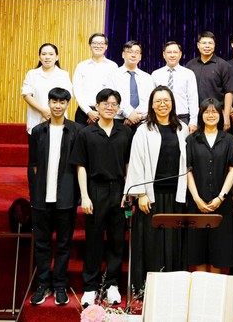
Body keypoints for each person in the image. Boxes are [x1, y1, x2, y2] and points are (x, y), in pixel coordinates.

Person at [69, 88, 132, 307]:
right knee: (94, 240)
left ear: (119, 108)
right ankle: (90, 287)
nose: (109, 107)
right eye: (105, 103)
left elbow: (129, 164)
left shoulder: (125, 132)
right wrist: (84, 196)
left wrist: (127, 192)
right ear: (97, 106)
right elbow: (80, 166)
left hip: (119, 190)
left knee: (117, 240)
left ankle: (112, 285)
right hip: (95, 190)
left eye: (114, 104)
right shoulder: (86, 133)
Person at [124, 85, 190, 292]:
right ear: (152, 105)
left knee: (173, 242)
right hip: (151, 196)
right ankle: (148, 288)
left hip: (176, 195)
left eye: (166, 101)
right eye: (158, 101)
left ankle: (173, 288)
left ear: (172, 104)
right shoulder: (143, 130)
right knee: (151, 242)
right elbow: (136, 161)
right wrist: (141, 193)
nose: (162, 105)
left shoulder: (182, 128)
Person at [27, 87, 82, 306]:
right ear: (48, 103)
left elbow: (80, 166)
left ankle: (60, 285)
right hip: (41, 197)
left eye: (62, 102)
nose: (58, 106)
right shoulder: (37, 131)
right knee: (42, 244)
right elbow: (32, 165)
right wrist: (34, 193)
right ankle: (43, 284)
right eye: (54, 102)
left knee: (63, 244)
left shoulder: (76, 131)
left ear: (67, 104)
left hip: (66, 198)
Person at [185, 98, 233, 273]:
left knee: (219, 250)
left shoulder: (228, 139)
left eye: (214, 112)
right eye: (207, 112)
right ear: (201, 115)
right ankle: (200, 288)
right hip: (196, 203)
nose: (211, 115)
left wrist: (221, 197)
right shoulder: (192, 139)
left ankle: (215, 288)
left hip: (221, 203)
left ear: (221, 115)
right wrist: (196, 198)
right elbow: (188, 170)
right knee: (197, 249)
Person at [186, 31, 233, 131]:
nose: (207, 46)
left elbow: (229, 92)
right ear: (198, 45)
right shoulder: (190, 65)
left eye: (210, 43)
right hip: (194, 116)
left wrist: (226, 116)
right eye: (204, 43)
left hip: (216, 115)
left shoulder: (223, 65)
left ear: (214, 45)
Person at [21, 43, 73, 134]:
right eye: (44, 54)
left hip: (58, 120)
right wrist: (43, 111)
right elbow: (26, 95)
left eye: (51, 54)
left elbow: (67, 96)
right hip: (36, 119)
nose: (47, 57)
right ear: (39, 57)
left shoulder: (63, 75)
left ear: (56, 57)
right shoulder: (32, 74)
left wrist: (50, 114)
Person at [151, 41, 199, 133]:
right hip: (160, 118)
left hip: (182, 118)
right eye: (169, 52)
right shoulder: (156, 74)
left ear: (180, 54)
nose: (172, 55)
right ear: (164, 55)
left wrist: (193, 121)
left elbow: (193, 99)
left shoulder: (188, 74)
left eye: (175, 52)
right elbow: (152, 100)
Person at [72, 32, 118, 125]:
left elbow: (114, 91)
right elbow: (77, 91)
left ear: (106, 46)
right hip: (83, 112)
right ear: (90, 45)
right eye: (95, 43)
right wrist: (88, 111)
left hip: (105, 112)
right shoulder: (81, 66)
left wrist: (101, 111)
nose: (98, 46)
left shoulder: (113, 66)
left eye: (101, 43)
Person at [113, 40, 155, 131]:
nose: (133, 55)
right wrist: (128, 114)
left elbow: (151, 100)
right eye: (130, 52)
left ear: (140, 57)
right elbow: (112, 99)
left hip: (143, 122)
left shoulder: (147, 77)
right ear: (123, 54)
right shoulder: (113, 75)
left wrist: (138, 116)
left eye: (136, 52)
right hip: (119, 120)